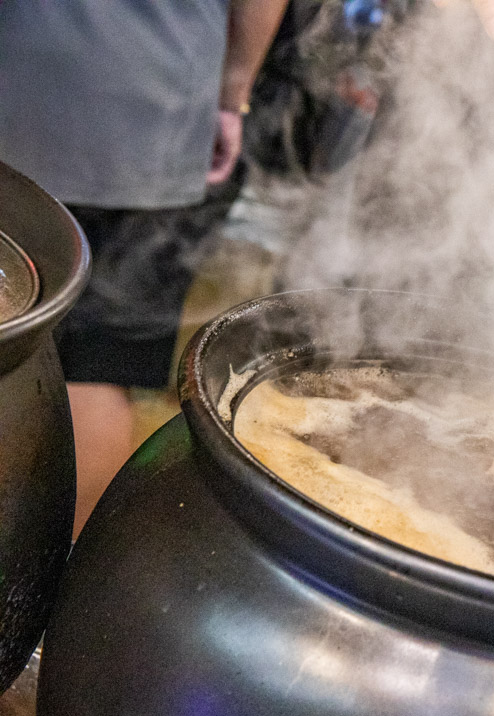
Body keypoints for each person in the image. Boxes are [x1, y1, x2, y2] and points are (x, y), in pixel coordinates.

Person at [0, 1, 291, 534]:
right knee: (101, 366)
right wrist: (233, 94)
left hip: (21, 86)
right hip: (156, 106)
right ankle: (53, 574)